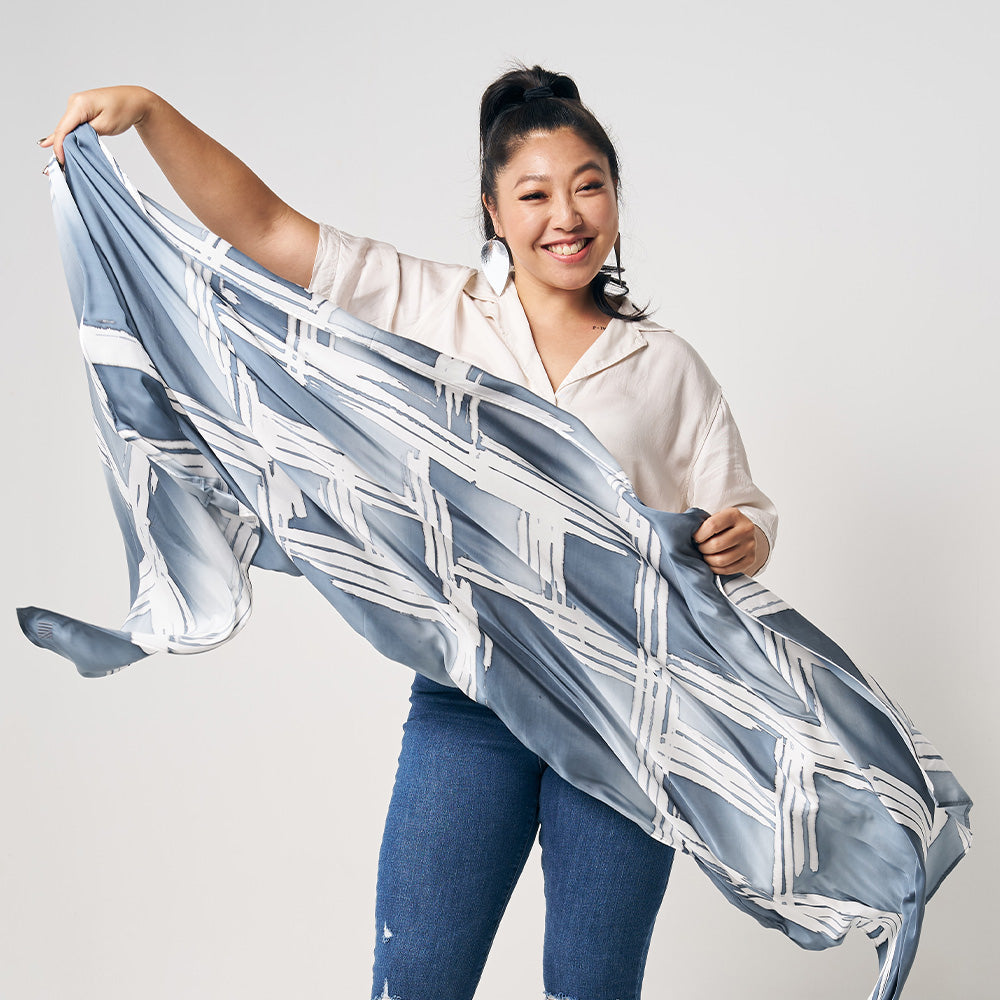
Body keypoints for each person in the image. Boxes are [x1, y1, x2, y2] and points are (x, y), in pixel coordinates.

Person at [41, 64, 778, 1000]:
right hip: (467, 702)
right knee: (419, 976)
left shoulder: (667, 367)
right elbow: (265, 230)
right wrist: (147, 113)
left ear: (617, 200)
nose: (567, 215)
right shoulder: (429, 306)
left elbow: (737, 511)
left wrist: (741, 539)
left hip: (631, 713)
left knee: (594, 986)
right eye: (536, 193)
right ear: (493, 209)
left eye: (590, 186)